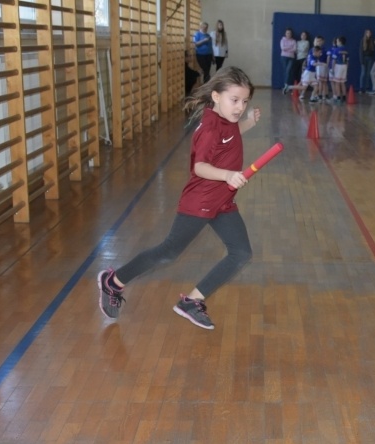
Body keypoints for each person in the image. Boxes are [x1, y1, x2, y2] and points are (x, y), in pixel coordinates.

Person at [97, 67, 262, 330]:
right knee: (167, 253)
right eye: (235, 100)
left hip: (222, 201)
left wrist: (249, 123)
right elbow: (200, 167)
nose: (240, 106)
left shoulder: (226, 121)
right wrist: (229, 174)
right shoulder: (209, 127)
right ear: (216, 96)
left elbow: (228, 139)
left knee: (241, 252)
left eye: (244, 101)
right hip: (201, 200)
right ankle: (113, 281)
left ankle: (192, 301)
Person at [329, 36, 349, 103]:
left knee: (337, 82)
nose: (336, 43)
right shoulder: (346, 50)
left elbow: (334, 60)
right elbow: (348, 61)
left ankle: (337, 97)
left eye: (337, 41)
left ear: (340, 42)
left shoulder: (336, 50)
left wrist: (332, 68)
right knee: (343, 82)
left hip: (338, 66)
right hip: (345, 66)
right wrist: (347, 69)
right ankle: (344, 97)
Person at [280, 28, 297, 93]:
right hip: (284, 57)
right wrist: (290, 47)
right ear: (285, 33)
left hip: (291, 57)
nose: (288, 34)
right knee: (286, 72)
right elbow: (282, 48)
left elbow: (295, 49)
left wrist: (287, 48)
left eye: (290, 33)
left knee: (288, 71)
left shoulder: (293, 41)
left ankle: (287, 86)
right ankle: (286, 86)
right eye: (287, 33)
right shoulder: (282, 40)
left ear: (291, 34)